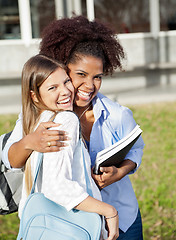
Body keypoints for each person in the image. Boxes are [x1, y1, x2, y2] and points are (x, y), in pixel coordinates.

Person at [2, 16, 144, 239]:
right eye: (80, 75)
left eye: (97, 77)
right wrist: (30, 141)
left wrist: (120, 171)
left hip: (122, 217)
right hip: (69, 222)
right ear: (62, 68)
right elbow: (10, 160)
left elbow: (136, 149)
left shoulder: (117, 114)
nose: (90, 85)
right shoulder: (41, 116)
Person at [16, 53, 119, 240]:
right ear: (35, 95)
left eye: (66, 82)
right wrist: (109, 211)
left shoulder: (36, 122)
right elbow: (57, 187)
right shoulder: (65, 119)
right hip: (71, 228)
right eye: (53, 87)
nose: (65, 92)